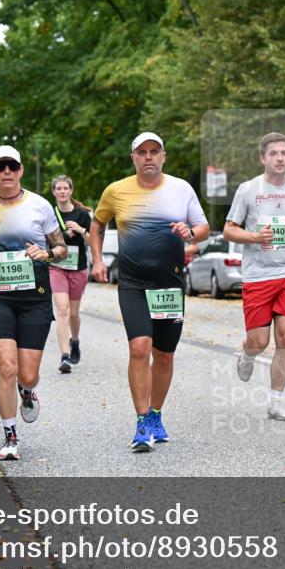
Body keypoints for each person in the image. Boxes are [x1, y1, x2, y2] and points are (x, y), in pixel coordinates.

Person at [89, 132, 209, 452]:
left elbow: (203, 228)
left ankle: (156, 414)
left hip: (169, 283)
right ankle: (142, 421)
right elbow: (97, 224)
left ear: (163, 156)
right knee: (140, 348)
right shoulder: (116, 191)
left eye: (154, 152)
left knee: (164, 354)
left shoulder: (181, 189)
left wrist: (190, 232)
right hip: (133, 283)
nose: (148, 158)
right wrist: (98, 259)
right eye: (142, 152)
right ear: (133, 158)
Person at [0, 145, 67, 461]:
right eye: (0, 167)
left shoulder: (41, 205)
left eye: (12, 166)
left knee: (28, 373)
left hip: (34, 298)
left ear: (20, 170)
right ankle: (9, 436)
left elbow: (62, 248)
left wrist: (46, 253)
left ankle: (27, 390)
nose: (6, 172)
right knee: (5, 367)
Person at [223, 132, 285, 421]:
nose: (280, 158)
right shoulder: (248, 190)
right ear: (262, 158)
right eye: (274, 153)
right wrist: (255, 237)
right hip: (258, 275)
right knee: (258, 340)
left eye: (284, 153)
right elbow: (230, 229)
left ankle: (276, 400)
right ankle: (247, 355)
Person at [48, 175, 93, 373]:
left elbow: (94, 242)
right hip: (57, 267)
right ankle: (64, 356)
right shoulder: (49, 214)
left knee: (74, 313)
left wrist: (82, 230)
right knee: (63, 310)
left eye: (66, 188)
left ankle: (74, 341)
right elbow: (44, 239)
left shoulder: (82, 214)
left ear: (71, 191)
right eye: (59, 188)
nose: (62, 191)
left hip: (78, 268)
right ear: (54, 192)